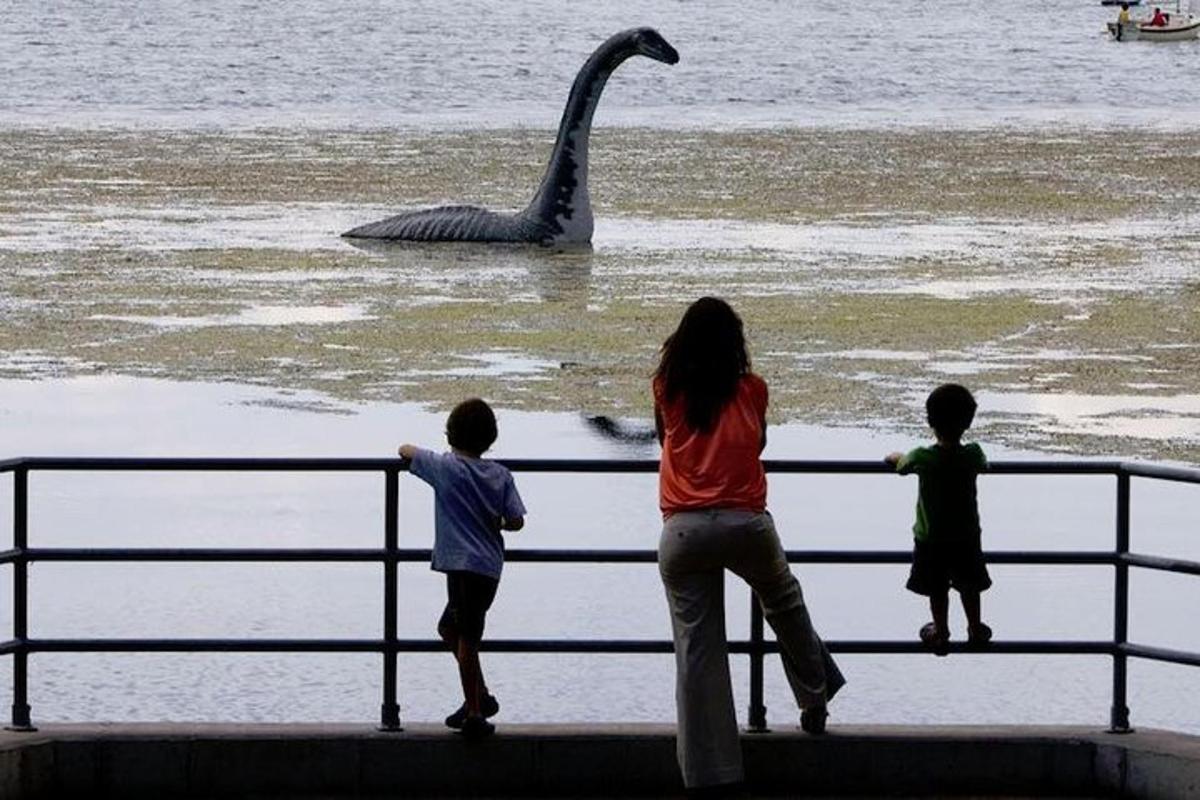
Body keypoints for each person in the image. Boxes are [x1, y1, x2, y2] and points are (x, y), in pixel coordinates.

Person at [653, 296, 844, 795]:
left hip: (684, 530)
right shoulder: (753, 389)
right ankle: (815, 697)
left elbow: (664, 442)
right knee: (784, 602)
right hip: (746, 522)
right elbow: (757, 444)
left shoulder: (667, 388)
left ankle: (708, 770)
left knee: (697, 646)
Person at [398, 398, 526, 738]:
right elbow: (516, 521)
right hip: (488, 567)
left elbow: (405, 450)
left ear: (450, 434)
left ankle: (474, 712)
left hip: (460, 565)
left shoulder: (446, 468)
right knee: (450, 628)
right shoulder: (500, 474)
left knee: (466, 636)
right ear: (490, 438)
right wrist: (495, 520)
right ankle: (480, 697)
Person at [885, 383, 991, 657]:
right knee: (969, 584)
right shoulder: (972, 454)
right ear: (968, 421)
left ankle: (941, 632)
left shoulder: (923, 457)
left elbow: (901, 464)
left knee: (937, 587)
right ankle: (975, 627)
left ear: (930, 420)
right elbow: (984, 464)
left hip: (931, 538)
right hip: (967, 535)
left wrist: (894, 456)